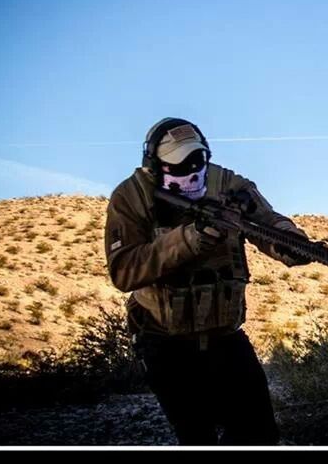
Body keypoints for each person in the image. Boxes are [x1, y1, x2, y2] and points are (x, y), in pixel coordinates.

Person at [104, 117, 311, 445]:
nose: (190, 170)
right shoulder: (132, 197)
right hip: (165, 341)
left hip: (224, 336)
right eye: (178, 164)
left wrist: (293, 243)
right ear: (154, 165)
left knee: (259, 434)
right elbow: (124, 270)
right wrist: (191, 238)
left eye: (197, 160)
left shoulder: (227, 185)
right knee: (196, 435)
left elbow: (268, 222)